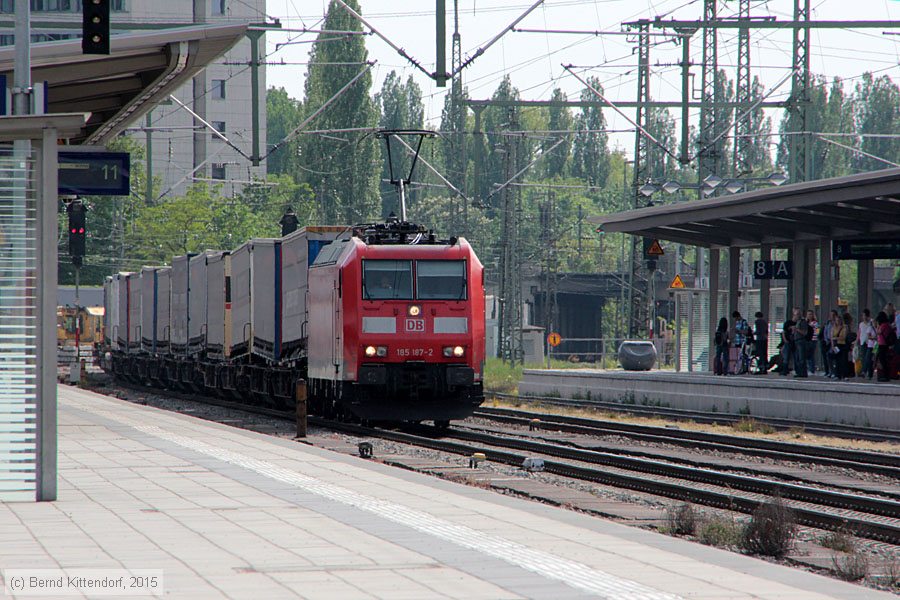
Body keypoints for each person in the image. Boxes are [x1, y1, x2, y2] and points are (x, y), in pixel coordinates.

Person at [831, 312, 851, 381]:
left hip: (843, 344)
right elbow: (831, 337)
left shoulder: (845, 327)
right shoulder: (833, 328)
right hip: (837, 345)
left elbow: (844, 337)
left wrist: (836, 338)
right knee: (837, 360)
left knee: (844, 360)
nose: (838, 322)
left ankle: (845, 375)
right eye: (837, 320)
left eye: (839, 320)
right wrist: (832, 346)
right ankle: (837, 375)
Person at [875, 311, 894, 382]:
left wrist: (877, 325)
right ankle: (885, 375)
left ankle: (886, 375)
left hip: (882, 344)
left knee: (883, 360)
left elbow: (878, 332)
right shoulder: (887, 324)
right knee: (883, 359)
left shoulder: (883, 325)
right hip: (884, 344)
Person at [858, 308, 877, 380]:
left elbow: (874, 329)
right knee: (865, 358)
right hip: (863, 342)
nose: (864, 317)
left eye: (865, 315)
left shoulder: (871, 323)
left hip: (872, 344)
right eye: (863, 315)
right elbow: (859, 333)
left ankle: (868, 373)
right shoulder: (861, 324)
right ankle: (866, 372)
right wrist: (857, 341)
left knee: (869, 358)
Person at [791, 307, 809, 378]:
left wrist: (797, 329)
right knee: (797, 357)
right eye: (795, 314)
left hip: (801, 341)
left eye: (797, 314)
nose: (795, 316)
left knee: (801, 358)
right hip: (796, 341)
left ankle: (803, 372)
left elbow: (804, 333)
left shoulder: (803, 322)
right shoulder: (797, 322)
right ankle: (799, 371)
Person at [821, 310, 838, 378]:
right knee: (828, 357)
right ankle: (830, 371)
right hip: (828, 342)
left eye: (833, 315)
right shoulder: (828, 323)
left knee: (835, 358)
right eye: (831, 315)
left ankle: (835, 372)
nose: (832, 317)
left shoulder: (837, 324)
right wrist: (826, 340)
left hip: (835, 342)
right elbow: (825, 332)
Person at [805, 310, 818, 375]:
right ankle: (808, 368)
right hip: (807, 340)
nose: (809, 316)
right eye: (808, 314)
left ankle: (812, 369)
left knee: (811, 355)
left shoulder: (815, 323)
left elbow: (816, 331)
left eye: (810, 314)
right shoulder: (806, 322)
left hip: (813, 340)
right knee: (807, 355)